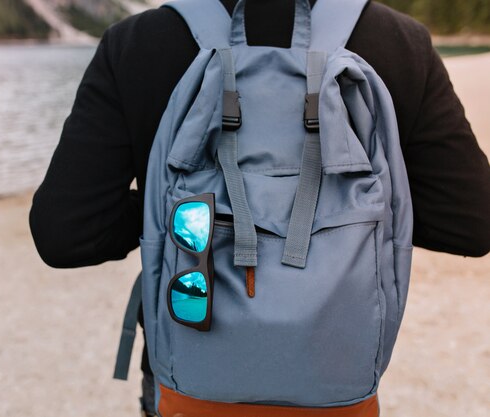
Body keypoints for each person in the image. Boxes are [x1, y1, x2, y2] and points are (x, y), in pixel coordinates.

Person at [29, 0, 490, 415]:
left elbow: (65, 231)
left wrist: (173, 212)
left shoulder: (137, 43)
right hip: (334, 385)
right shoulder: (398, 41)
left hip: (190, 384)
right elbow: (472, 223)